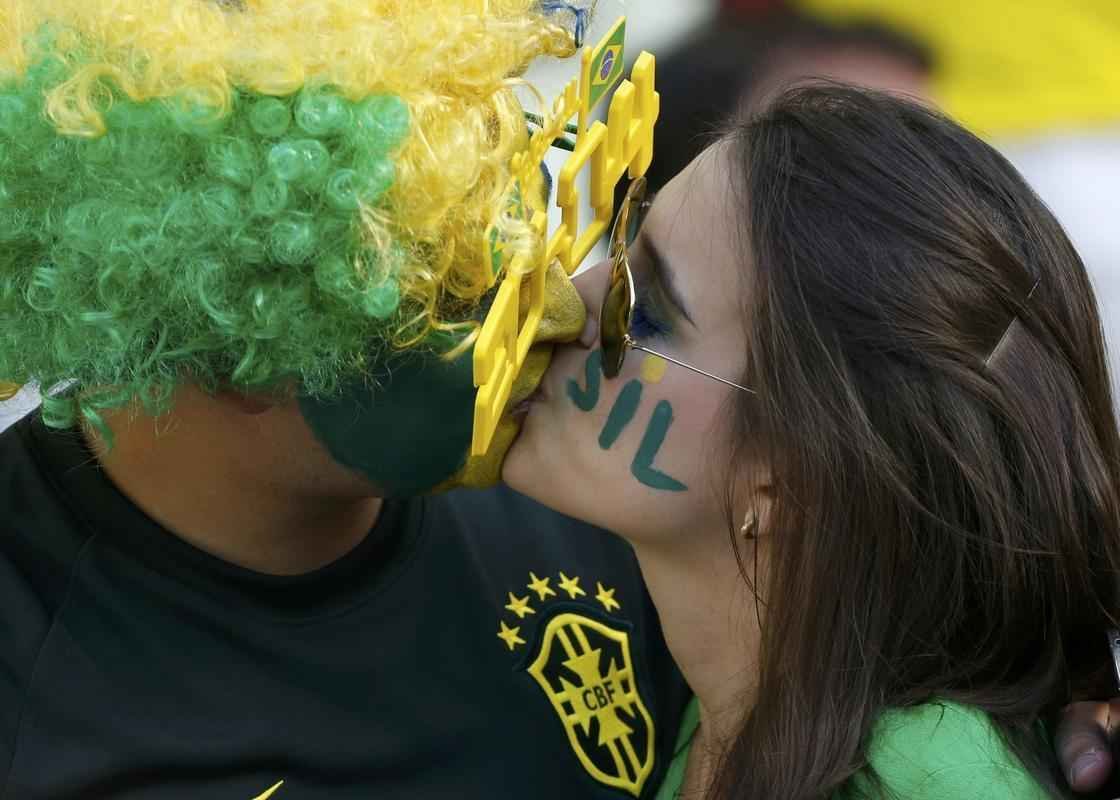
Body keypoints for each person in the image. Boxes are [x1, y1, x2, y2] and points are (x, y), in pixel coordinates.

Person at [0, 1, 688, 796]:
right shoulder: (30, 695)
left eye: (518, 209)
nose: (568, 310)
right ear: (242, 356)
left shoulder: (586, 487)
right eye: (459, 291)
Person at [504, 84, 1120, 798]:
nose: (564, 298)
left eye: (642, 311)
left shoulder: (928, 781)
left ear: (791, 478)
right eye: (620, 246)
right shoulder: (728, 713)